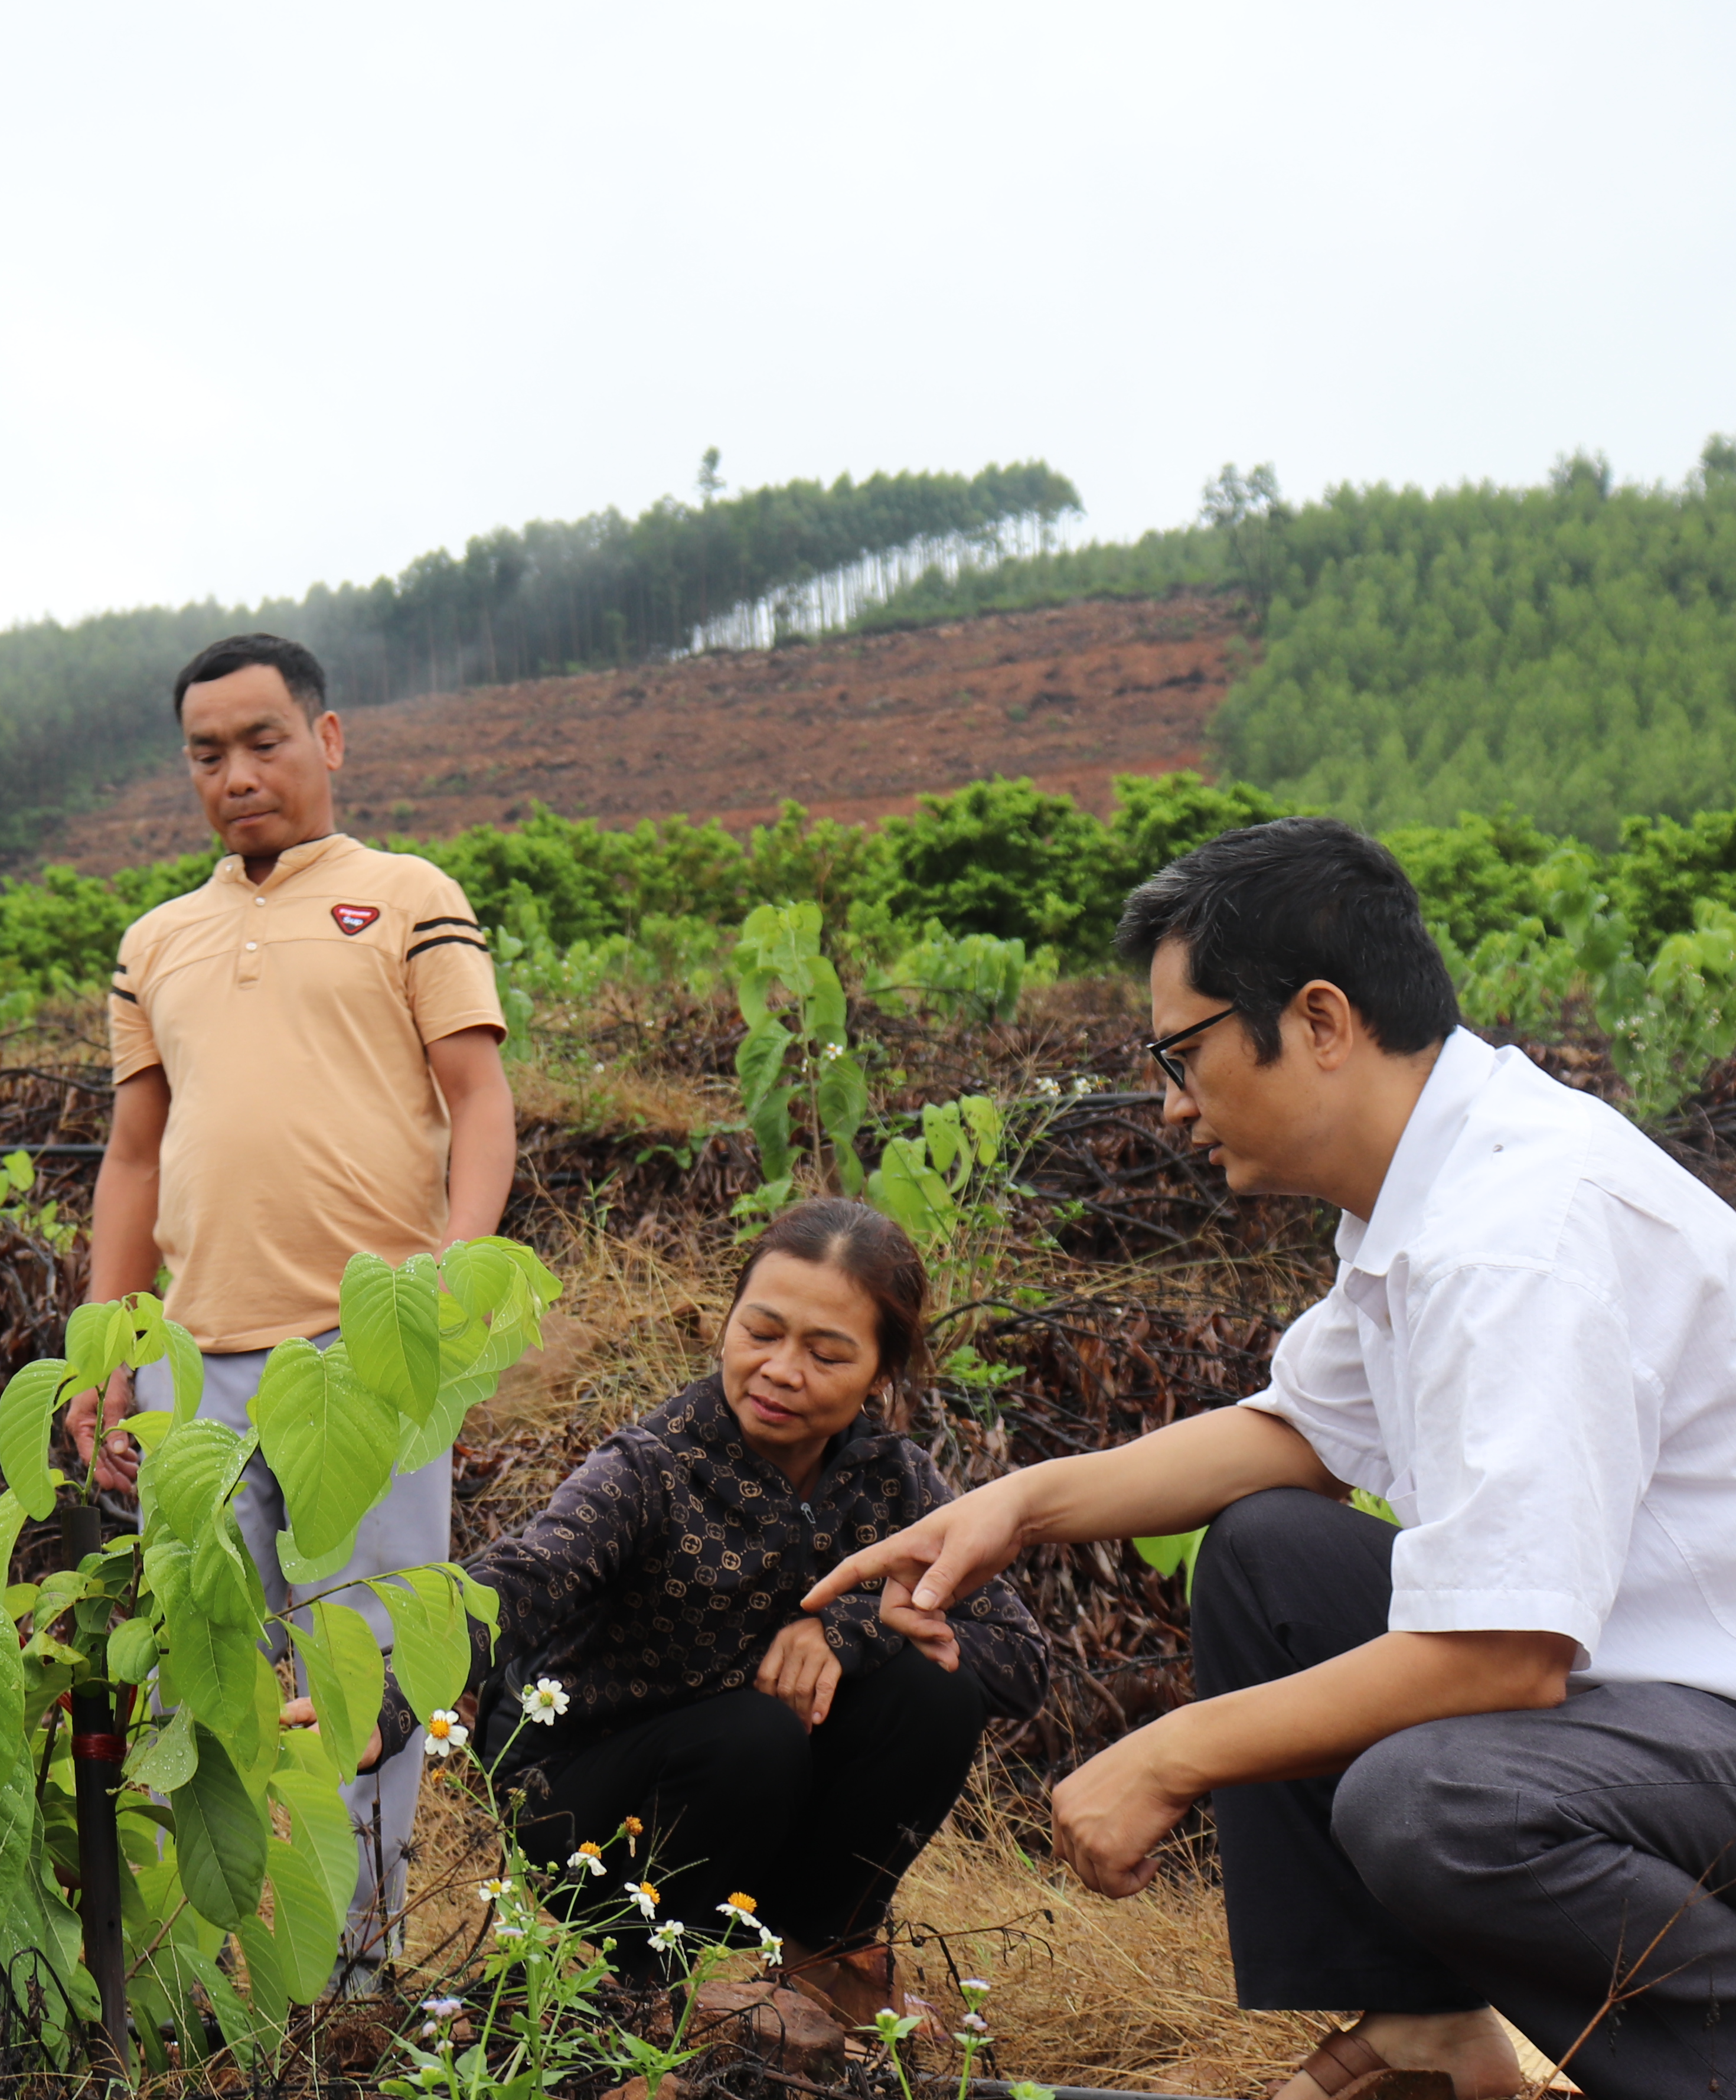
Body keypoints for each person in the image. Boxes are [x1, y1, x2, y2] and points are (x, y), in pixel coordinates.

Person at [808, 817, 1736, 2100]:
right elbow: (1290, 1435)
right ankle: (1432, 2035)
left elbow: (1504, 1659)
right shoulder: (1434, 1192)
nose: (1174, 1106)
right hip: (1692, 1738)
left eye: (1180, 1054)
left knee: (1429, 1793)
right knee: (1271, 1551)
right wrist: (1015, 1506)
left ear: (1318, 1020)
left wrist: (1170, 1753)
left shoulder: (1518, 1232)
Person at [70, 630, 518, 1981]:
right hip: (191, 1360)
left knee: (365, 1668)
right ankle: (198, 1966)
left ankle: (354, 1976)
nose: (238, 773)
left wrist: (449, 1275)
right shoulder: (157, 941)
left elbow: (479, 1098)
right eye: (208, 753)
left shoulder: (404, 896)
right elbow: (134, 1153)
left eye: (265, 741)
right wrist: (107, 1344)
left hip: (360, 1353)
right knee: (199, 1654)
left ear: (327, 741)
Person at [474, 1198, 1046, 2020]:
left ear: (879, 1376)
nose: (781, 1370)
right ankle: (632, 1982)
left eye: (826, 1353)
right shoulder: (652, 1467)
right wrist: (382, 1700)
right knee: (754, 1734)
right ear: (728, 1323)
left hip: (759, 1818)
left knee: (934, 1683)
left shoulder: (895, 1483)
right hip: (590, 1807)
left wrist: (855, 1629)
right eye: (761, 1332)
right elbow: (521, 1582)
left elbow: (1021, 1661)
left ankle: (823, 1952)